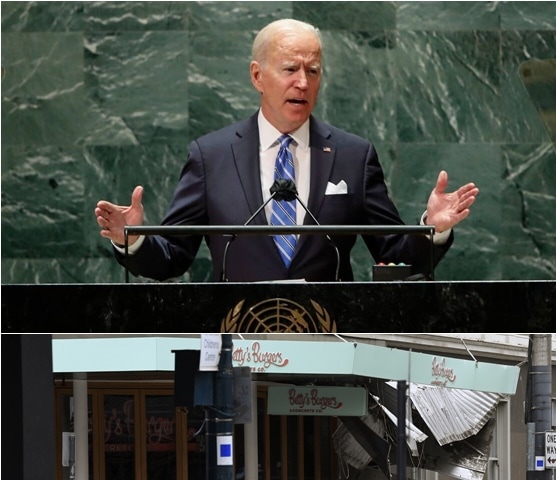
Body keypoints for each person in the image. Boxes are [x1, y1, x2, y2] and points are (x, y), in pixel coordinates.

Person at [94, 18, 479, 282]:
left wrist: (432, 229)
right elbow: (173, 257)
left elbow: (393, 252)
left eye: (313, 71)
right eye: (290, 69)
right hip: (238, 346)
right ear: (258, 76)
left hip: (331, 342)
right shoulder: (211, 156)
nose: (302, 82)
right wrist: (134, 238)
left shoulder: (352, 155)